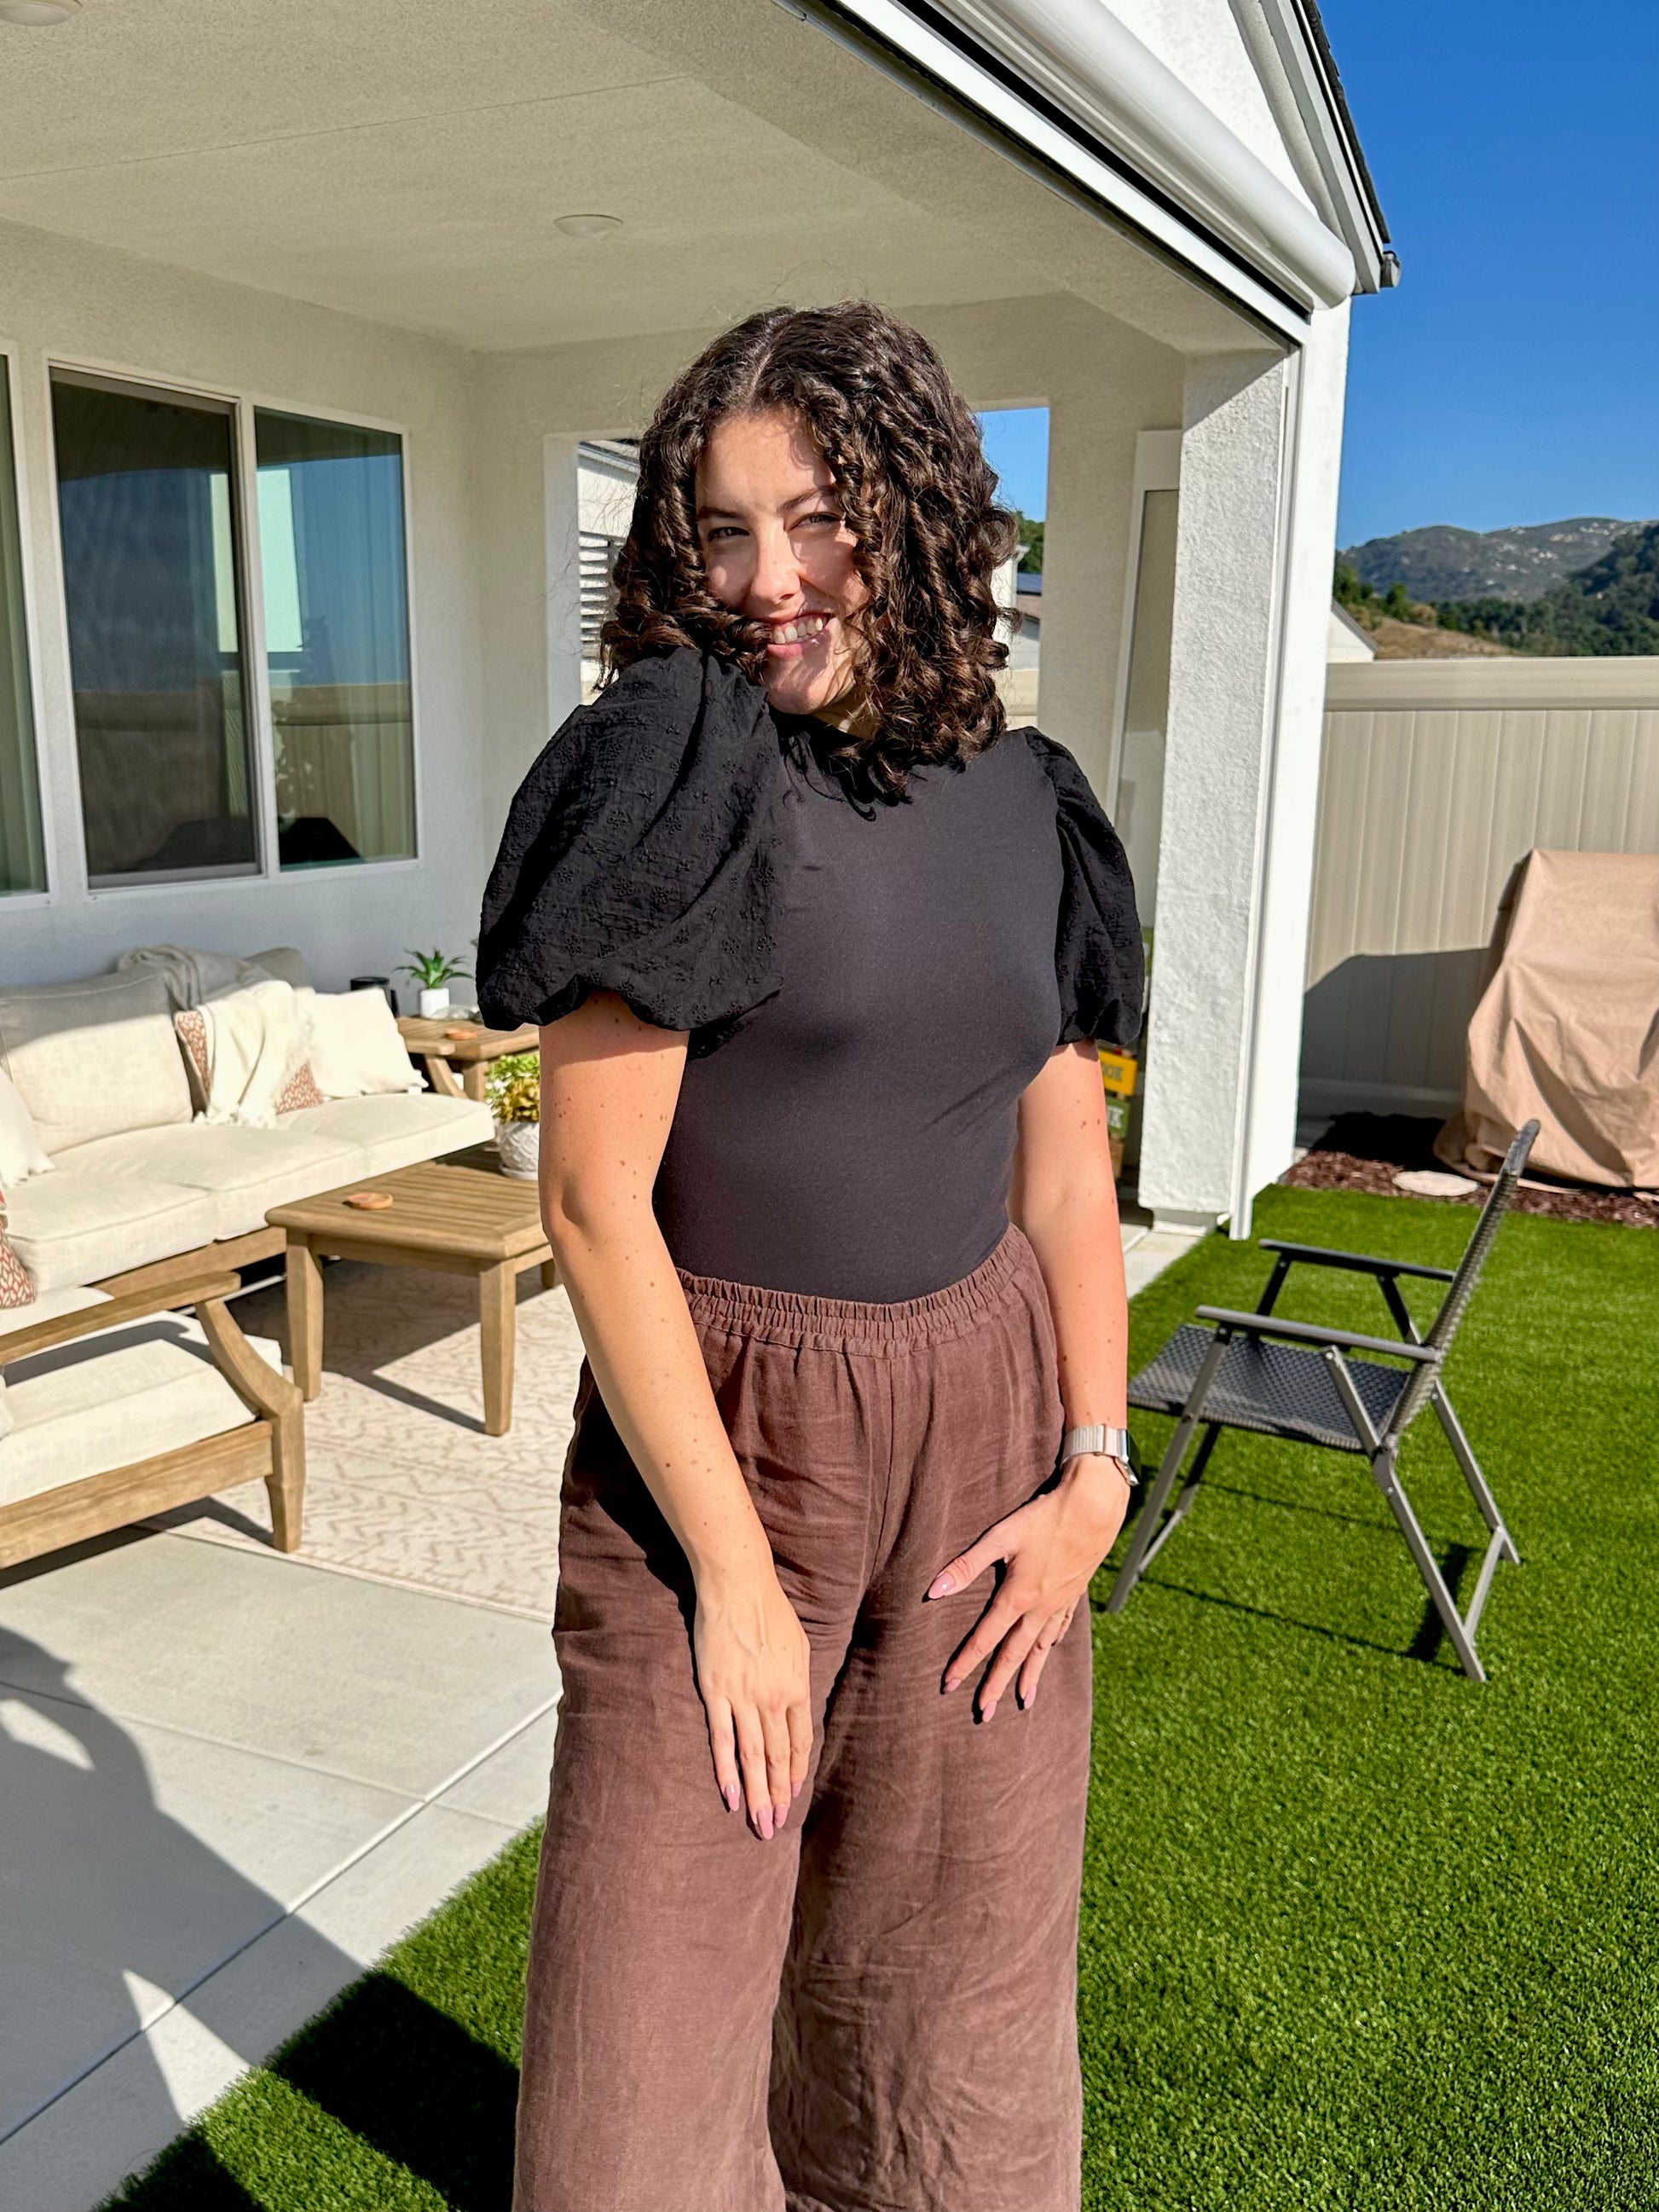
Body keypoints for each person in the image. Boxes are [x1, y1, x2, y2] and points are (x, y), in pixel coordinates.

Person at [477, 299, 1143, 2212]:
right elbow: (595, 1203)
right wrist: (735, 1579)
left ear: (915, 515)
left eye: (817, 518)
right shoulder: (678, 772)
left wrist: (1096, 1470)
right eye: (723, 530)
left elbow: (1063, 1162)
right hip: (721, 1443)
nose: (768, 579)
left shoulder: (1025, 800)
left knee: (949, 2023)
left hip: (985, 1434)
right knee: (632, 2098)